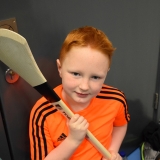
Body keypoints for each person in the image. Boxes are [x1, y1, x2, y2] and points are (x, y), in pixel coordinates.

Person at [29, 26, 130, 160]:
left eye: (95, 77)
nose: (84, 86)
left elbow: (121, 124)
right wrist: (73, 140)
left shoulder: (116, 99)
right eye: (76, 74)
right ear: (60, 68)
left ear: (106, 73)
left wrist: (112, 151)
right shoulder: (42, 113)